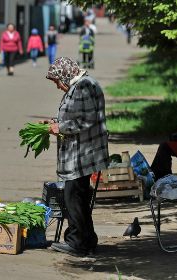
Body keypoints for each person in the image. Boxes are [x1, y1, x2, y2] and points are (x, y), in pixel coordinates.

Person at [43, 57, 109, 257]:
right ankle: (87, 239)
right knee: (78, 196)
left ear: (65, 73)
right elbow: (76, 115)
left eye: (56, 81)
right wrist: (56, 122)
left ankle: (77, 242)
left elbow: (86, 120)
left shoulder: (83, 86)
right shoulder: (81, 85)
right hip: (81, 153)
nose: (57, 86)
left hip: (83, 154)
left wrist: (60, 127)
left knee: (74, 197)